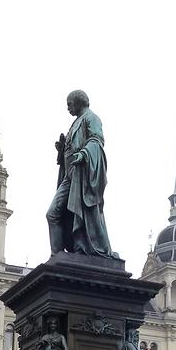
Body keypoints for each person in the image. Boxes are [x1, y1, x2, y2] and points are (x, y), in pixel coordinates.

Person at [46, 90, 117, 258]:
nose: (68, 108)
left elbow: (96, 140)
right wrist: (62, 149)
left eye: (69, 104)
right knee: (53, 213)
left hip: (81, 175)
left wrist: (84, 154)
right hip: (70, 176)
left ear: (78, 102)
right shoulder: (75, 123)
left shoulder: (91, 118)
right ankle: (57, 255)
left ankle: (78, 248)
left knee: (69, 212)